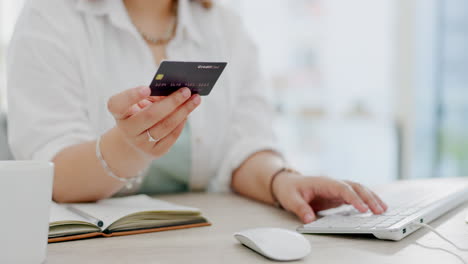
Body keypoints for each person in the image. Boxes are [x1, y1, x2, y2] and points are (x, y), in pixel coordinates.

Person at [7, 0, 387, 224]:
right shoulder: (50, 16)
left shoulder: (223, 24)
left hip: (204, 241)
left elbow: (245, 144)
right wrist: (127, 147)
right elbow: (51, 171)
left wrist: (281, 181)